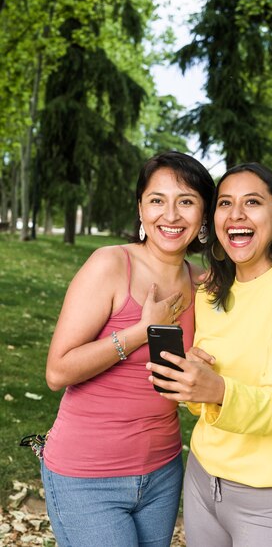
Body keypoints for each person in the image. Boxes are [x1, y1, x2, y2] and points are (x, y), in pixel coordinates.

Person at [146, 162, 272, 547]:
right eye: (225, 203)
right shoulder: (210, 289)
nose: (236, 215)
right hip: (203, 482)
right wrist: (193, 383)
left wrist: (217, 390)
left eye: (253, 202)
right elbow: (207, 405)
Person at [41, 151, 215, 547]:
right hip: (86, 476)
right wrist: (142, 331)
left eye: (185, 201)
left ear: (203, 216)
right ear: (140, 208)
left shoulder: (203, 285)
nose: (170, 215)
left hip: (163, 472)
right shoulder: (110, 265)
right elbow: (57, 372)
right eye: (157, 200)